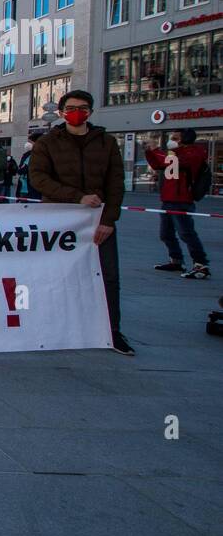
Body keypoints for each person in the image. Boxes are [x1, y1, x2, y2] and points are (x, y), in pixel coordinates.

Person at [27, 89, 133, 356]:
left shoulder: (106, 142)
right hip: (59, 218)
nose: (77, 112)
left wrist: (109, 219)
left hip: (97, 219)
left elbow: (116, 183)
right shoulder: (48, 142)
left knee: (108, 276)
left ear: (90, 112)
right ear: (62, 112)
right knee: (54, 275)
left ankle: (112, 331)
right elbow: (38, 179)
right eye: (72, 108)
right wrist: (77, 197)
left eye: (83, 108)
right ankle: (51, 325)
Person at [144, 129, 210, 279]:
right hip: (168, 199)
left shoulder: (194, 153)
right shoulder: (173, 153)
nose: (171, 140)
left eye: (175, 138)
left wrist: (156, 150)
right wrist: (149, 152)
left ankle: (201, 264)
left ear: (184, 139)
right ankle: (176, 260)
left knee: (186, 233)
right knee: (166, 234)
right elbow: (158, 165)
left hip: (181, 200)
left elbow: (173, 161)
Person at [17, 136, 42, 202]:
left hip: (35, 188)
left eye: (30, 142)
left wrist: (23, 168)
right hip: (23, 188)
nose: (27, 144)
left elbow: (24, 168)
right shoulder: (26, 155)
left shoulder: (41, 154)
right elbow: (20, 169)